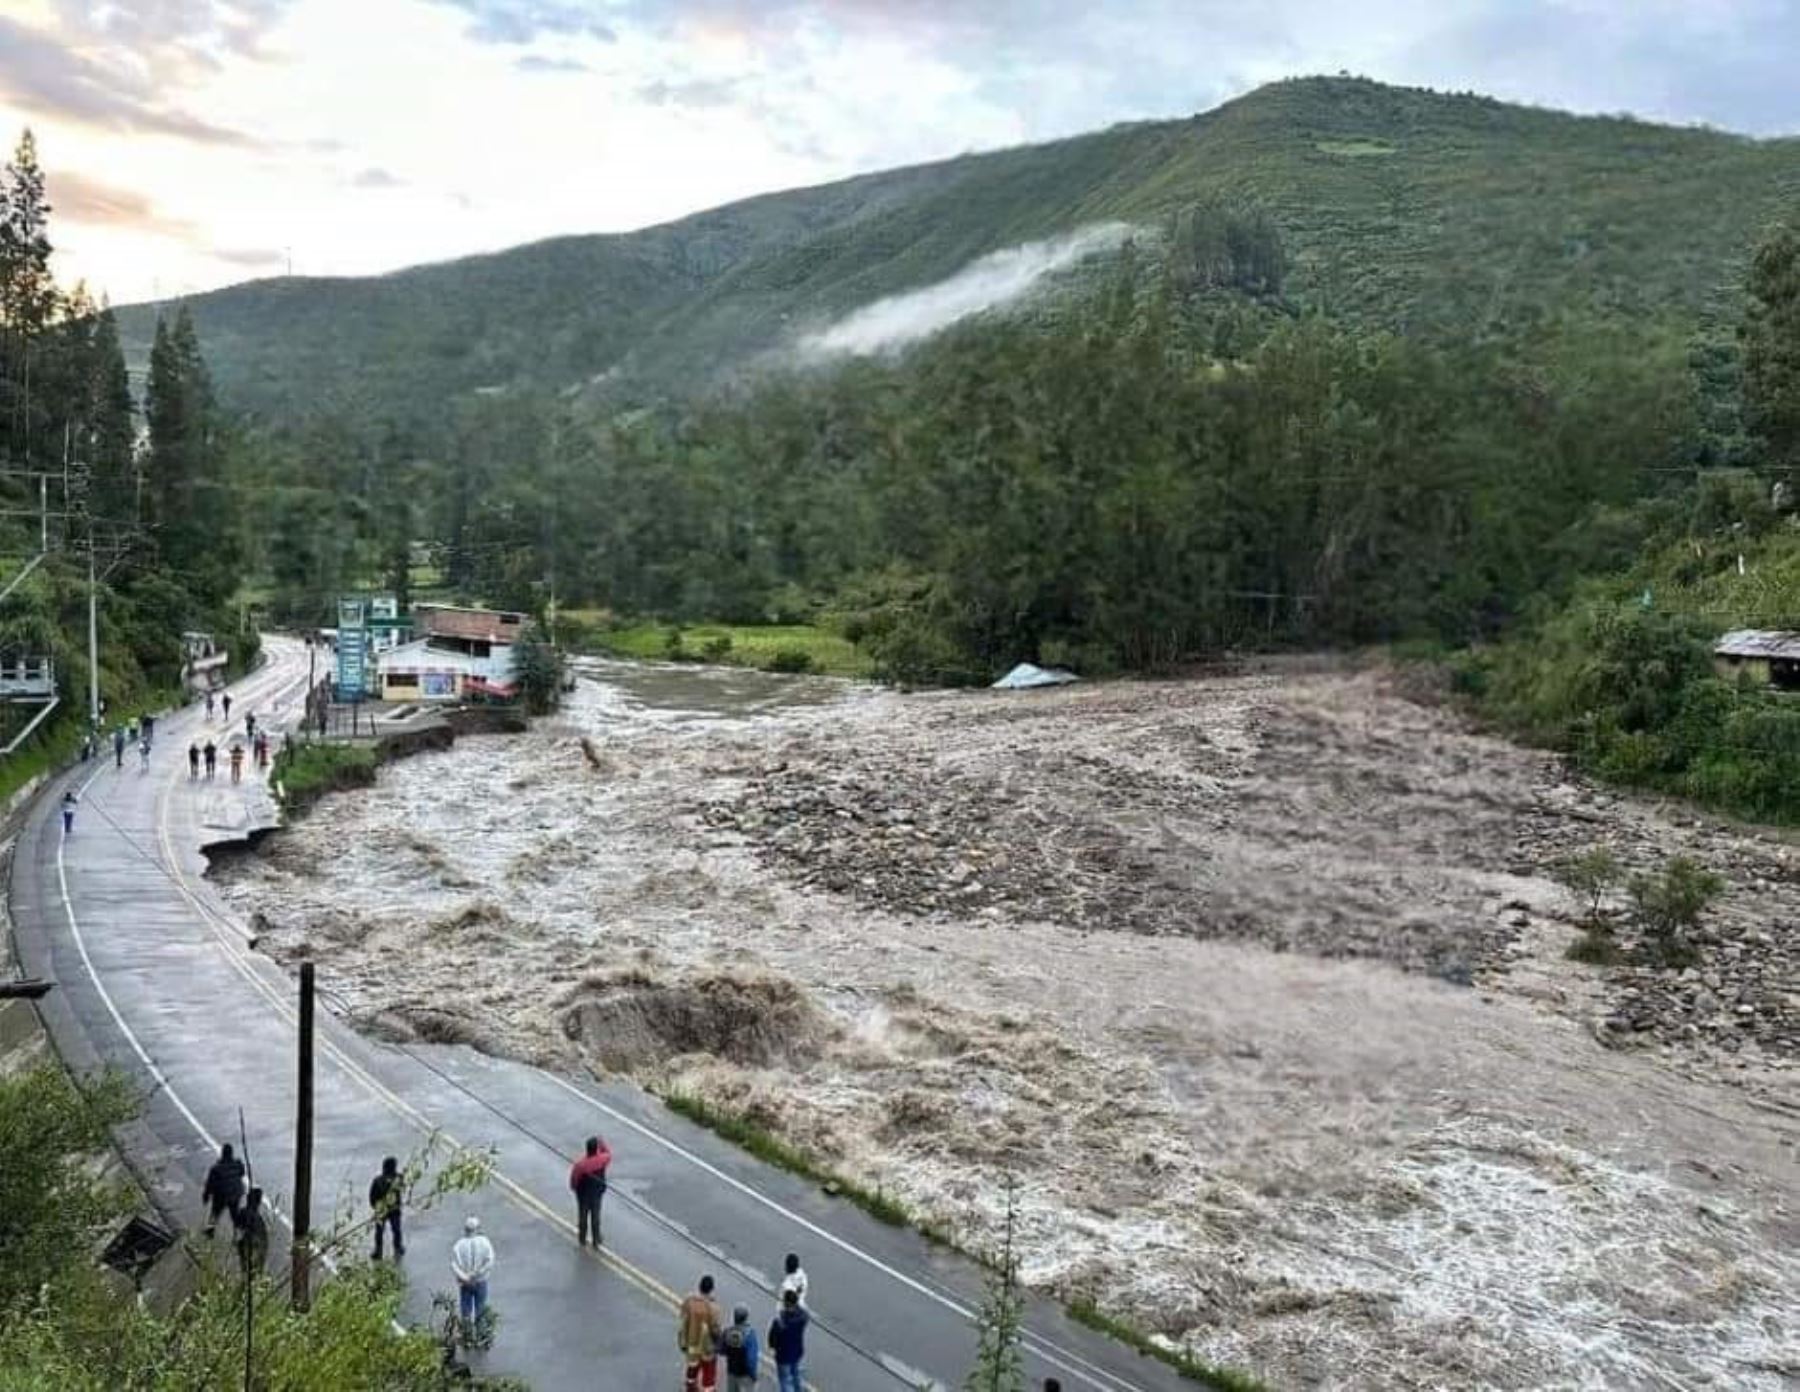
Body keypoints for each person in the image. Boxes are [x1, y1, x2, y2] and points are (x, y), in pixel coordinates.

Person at [679, 1274, 723, 1392]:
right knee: (708, 1373)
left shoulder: (689, 1301)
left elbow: (683, 1317)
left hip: (691, 1343)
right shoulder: (713, 1308)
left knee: (692, 1367)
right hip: (706, 1347)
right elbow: (715, 1329)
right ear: (711, 1289)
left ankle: (690, 1386)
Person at [451, 1216, 494, 1330]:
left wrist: (465, 1277)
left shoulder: (458, 1245)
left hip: (465, 1284)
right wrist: (478, 1273)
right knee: (480, 1308)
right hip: (480, 1281)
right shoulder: (485, 1242)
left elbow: (454, 1265)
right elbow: (489, 1260)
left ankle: (466, 1333)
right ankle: (480, 1333)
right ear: (478, 1228)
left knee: (466, 1310)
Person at [569, 1134, 611, 1247]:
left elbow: (574, 1179)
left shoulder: (580, 1165)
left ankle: (582, 1238)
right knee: (595, 1216)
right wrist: (601, 1142)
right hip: (597, 1192)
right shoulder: (603, 1159)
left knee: (583, 1215)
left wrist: (574, 1188)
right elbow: (608, 1153)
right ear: (597, 1149)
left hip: (583, 1194)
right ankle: (596, 1240)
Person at [768, 1288, 809, 1392]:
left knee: (784, 1381)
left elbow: (772, 1338)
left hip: (783, 1355)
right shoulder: (802, 1317)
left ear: (786, 1303)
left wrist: (772, 1346)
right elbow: (803, 1311)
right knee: (795, 1375)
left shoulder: (780, 1321)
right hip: (797, 1351)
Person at [202, 1143, 246, 1237]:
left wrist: (206, 1195)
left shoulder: (216, 1169)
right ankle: (239, 1233)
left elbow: (210, 1184)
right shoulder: (238, 1164)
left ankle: (210, 1230)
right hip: (235, 1193)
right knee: (235, 1214)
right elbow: (242, 1173)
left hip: (222, 1195)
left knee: (214, 1214)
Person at [370, 1155, 405, 1259]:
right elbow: (401, 1188)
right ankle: (397, 1248)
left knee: (380, 1231)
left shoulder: (378, 1180)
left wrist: (375, 1207)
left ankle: (378, 1250)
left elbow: (372, 1196)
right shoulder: (398, 1178)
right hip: (393, 1209)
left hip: (382, 1208)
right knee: (396, 1230)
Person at [720, 1305, 761, 1392]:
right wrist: (754, 1375)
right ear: (746, 1318)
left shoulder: (727, 1331)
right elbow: (751, 1359)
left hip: (731, 1371)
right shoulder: (750, 1334)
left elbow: (722, 1350)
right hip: (745, 1374)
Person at [236, 1186, 270, 1273]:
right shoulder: (257, 1218)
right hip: (250, 1251)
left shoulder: (256, 1218)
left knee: (248, 1272)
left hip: (252, 1251)